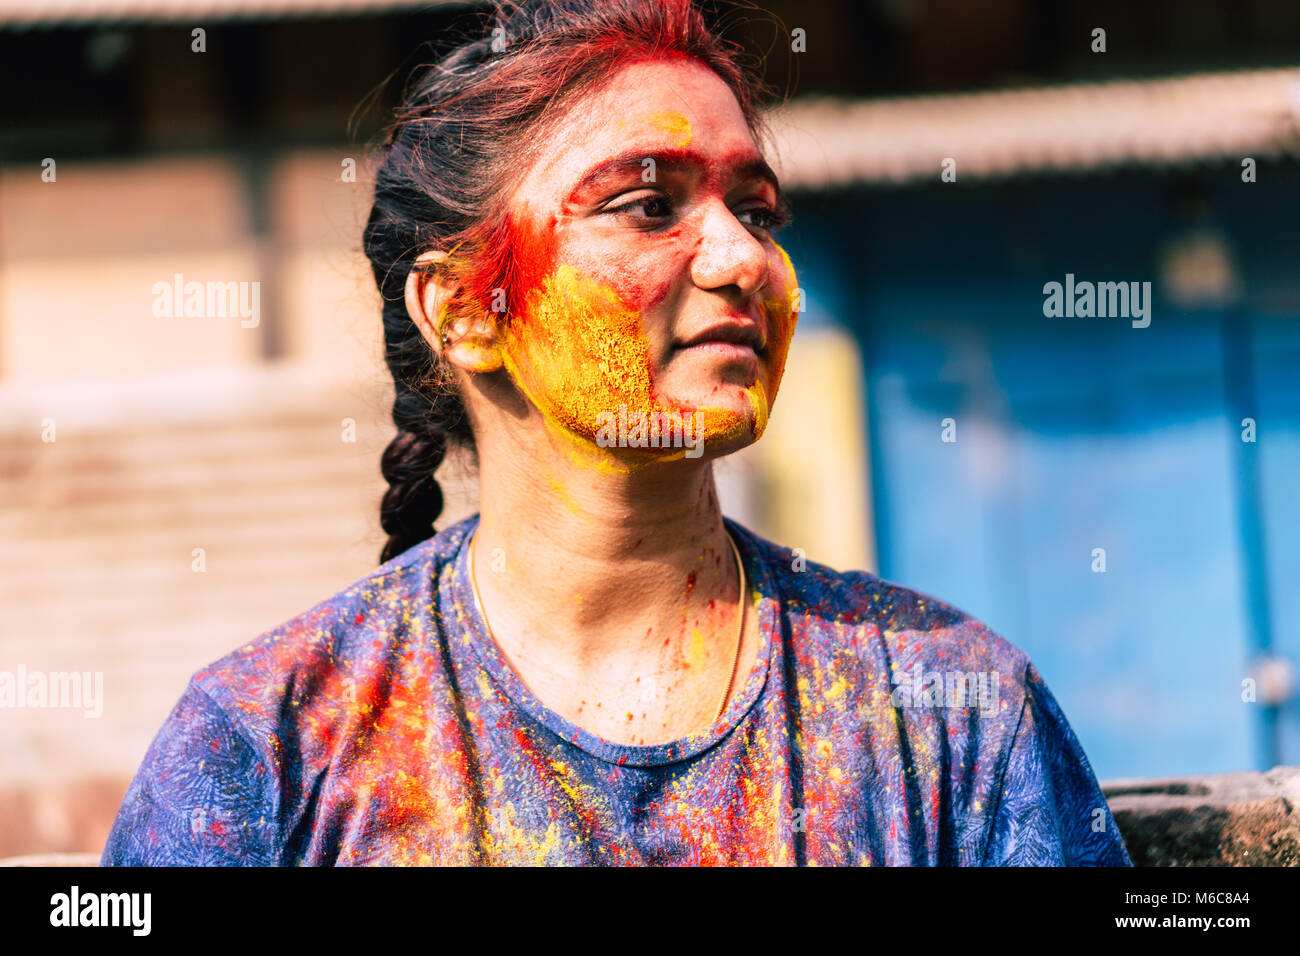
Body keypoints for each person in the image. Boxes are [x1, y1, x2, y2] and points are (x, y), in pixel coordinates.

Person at [101, 0, 1131, 866]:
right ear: (463, 308)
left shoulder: (946, 708)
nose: (741, 259)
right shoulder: (272, 743)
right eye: (648, 206)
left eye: (757, 211)